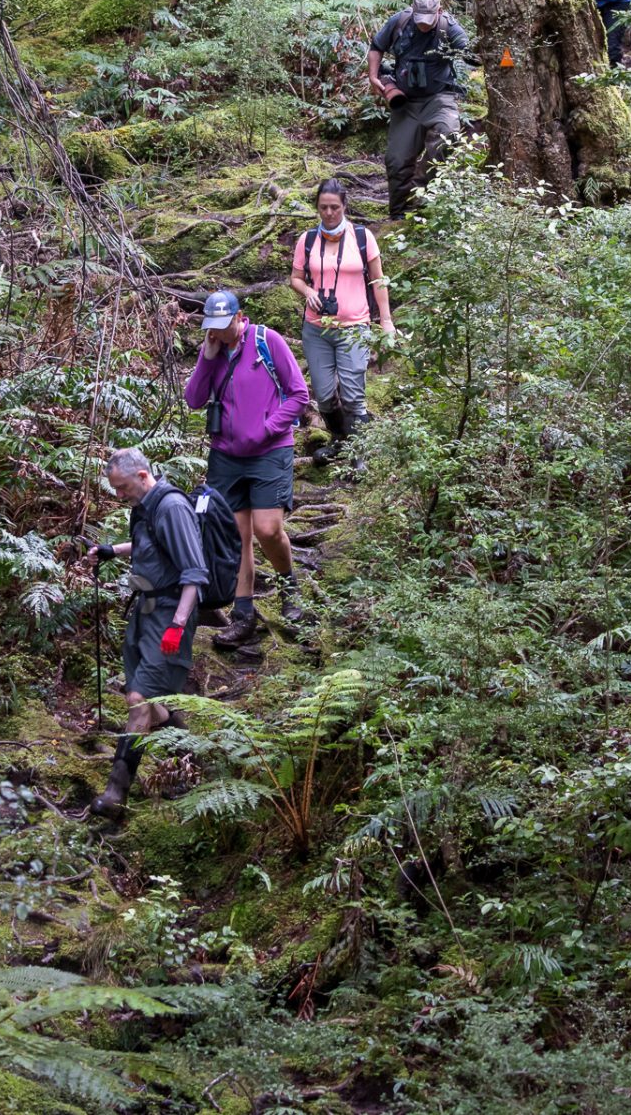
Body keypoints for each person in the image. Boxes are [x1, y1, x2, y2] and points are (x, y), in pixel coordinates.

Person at [85, 447, 208, 816]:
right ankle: (195, 759)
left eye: (123, 487)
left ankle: (115, 793)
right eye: (115, 489)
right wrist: (112, 551)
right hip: (145, 610)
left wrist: (177, 626)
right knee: (147, 699)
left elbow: (195, 572)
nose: (119, 496)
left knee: (139, 701)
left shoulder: (171, 507)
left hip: (170, 613)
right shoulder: (145, 507)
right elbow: (148, 545)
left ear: (142, 476)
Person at [184, 288, 309, 648]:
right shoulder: (212, 351)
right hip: (225, 455)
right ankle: (243, 616)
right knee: (237, 537)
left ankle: (289, 588)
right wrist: (207, 359)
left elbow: (299, 395)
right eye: (213, 327)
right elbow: (193, 400)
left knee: (267, 529)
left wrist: (268, 428)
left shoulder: (267, 341)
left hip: (270, 451)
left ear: (240, 317)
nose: (219, 332)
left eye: (225, 324)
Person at [290, 178, 396, 464]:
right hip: (317, 330)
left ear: (345, 206)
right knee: (324, 396)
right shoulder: (308, 240)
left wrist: (385, 321)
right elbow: (296, 278)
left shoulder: (362, 238)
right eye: (323, 207)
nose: (328, 213)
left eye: (334, 207)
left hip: (354, 328)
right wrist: (308, 291)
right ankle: (340, 441)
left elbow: (378, 280)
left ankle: (360, 455)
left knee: (353, 395)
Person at [367, 0, 468, 220]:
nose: (423, 24)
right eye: (419, 18)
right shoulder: (400, 22)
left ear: (439, 11)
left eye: (428, 19)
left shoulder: (448, 27)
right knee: (397, 159)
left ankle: (421, 194)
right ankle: (398, 215)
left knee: (448, 135)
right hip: (406, 101)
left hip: (439, 98)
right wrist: (373, 76)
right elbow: (376, 47)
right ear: (413, 11)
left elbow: (468, 50)